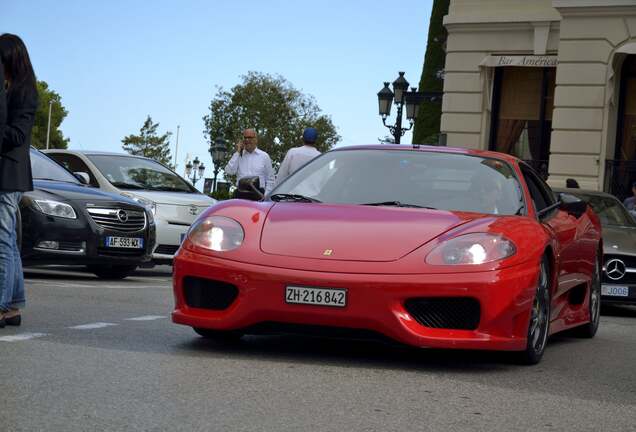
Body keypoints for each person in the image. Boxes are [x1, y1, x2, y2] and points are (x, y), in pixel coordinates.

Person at [0, 34, 38, 328]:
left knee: (1, 242)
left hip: (9, 174)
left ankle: (1, 305)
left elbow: (17, 135)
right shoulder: (9, 86)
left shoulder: (25, 91)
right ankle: (12, 305)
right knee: (9, 241)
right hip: (7, 173)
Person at [224, 128, 275, 198]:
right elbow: (229, 171)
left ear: (256, 140)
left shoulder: (264, 156)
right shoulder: (238, 155)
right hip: (240, 194)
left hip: (259, 194)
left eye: (250, 137)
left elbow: (270, 179)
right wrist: (238, 152)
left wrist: (266, 196)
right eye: (245, 137)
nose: (247, 140)